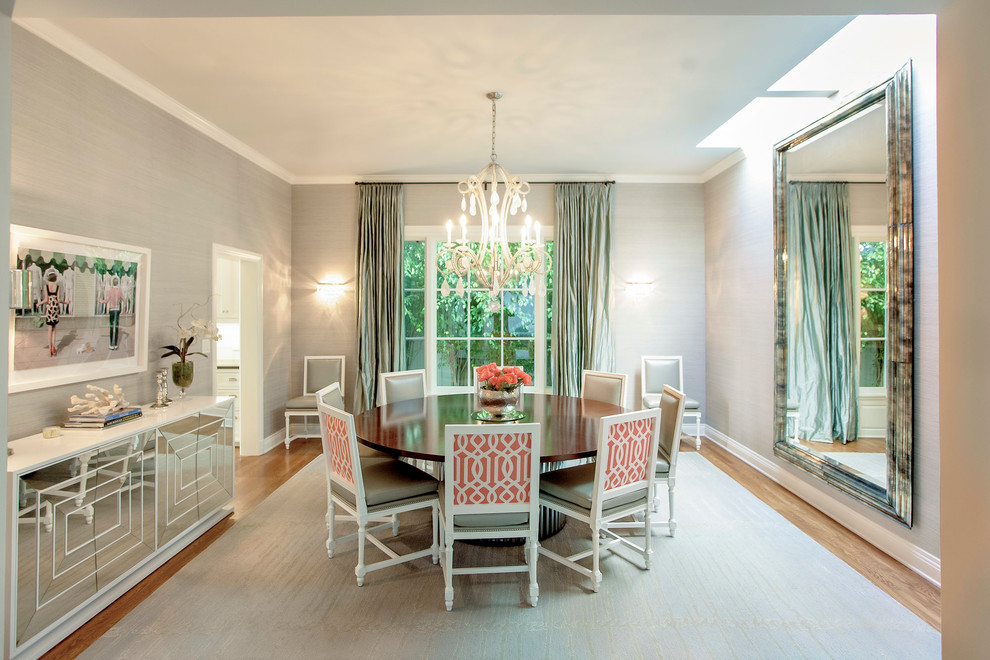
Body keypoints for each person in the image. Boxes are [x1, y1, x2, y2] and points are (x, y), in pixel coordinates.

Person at [98, 275, 125, 350]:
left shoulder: (110, 291)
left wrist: (99, 300)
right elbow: (124, 300)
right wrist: (123, 309)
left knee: (111, 327)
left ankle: (111, 344)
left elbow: (106, 301)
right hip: (117, 310)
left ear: (112, 283)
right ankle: (115, 345)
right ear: (118, 283)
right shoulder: (120, 291)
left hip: (112, 310)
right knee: (116, 327)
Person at [42, 271, 64, 356]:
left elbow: (46, 300)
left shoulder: (46, 287)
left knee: (49, 329)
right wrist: (66, 302)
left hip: (49, 308)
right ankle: (54, 347)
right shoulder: (57, 287)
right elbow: (59, 299)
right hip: (55, 308)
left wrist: (39, 303)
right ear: (55, 279)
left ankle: (50, 349)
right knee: (54, 329)